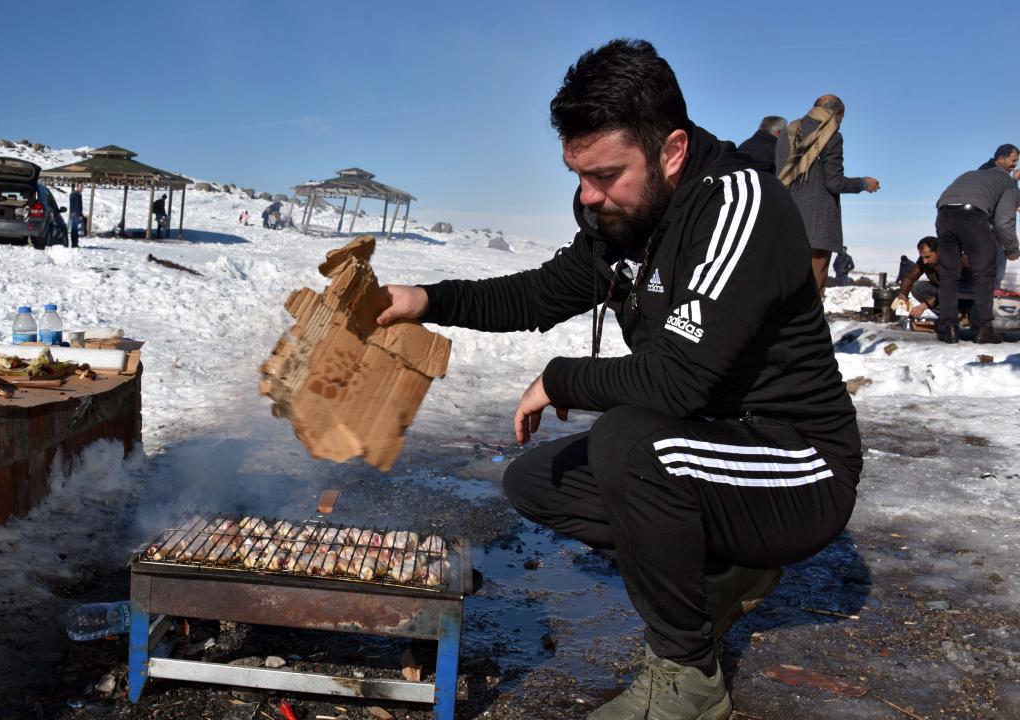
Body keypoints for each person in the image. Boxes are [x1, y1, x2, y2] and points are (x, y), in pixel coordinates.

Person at [379, 39, 859, 720]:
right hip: (709, 448)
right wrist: (425, 301)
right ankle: (728, 571)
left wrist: (562, 378)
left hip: (797, 463)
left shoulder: (735, 205)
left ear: (671, 151)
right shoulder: (626, 219)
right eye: (578, 175)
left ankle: (687, 681)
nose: (588, 195)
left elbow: (677, 380)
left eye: (605, 174)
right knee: (534, 481)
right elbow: (543, 293)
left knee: (629, 446)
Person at [775, 95, 880, 296]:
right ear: (837, 114)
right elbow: (834, 182)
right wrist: (863, 183)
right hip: (818, 223)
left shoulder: (787, 132)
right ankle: (808, 326)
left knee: (786, 282)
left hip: (786, 218)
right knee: (813, 286)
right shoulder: (830, 134)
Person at [933, 156, 1020, 343]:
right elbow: (1004, 223)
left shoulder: (970, 175)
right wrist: (1012, 249)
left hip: (944, 216)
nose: (1016, 164)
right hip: (972, 218)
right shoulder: (1008, 182)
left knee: (948, 274)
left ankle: (949, 328)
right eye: (1015, 160)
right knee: (983, 274)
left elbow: (940, 200)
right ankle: (984, 329)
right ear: (1001, 162)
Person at [895, 236, 975, 323]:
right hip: (944, 293)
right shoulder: (924, 262)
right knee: (917, 287)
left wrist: (925, 305)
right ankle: (952, 316)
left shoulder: (955, 260)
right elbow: (910, 277)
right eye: (922, 257)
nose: (924, 261)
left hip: (965, 296)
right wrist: (903, 293)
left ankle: (963, 315)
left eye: (928, 257)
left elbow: (951, 289)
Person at [977, 144, 1020, 290]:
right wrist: (1013, 182)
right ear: (1001, 159)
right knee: (995, 268)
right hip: (987, 228)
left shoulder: (990, 171)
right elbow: (997, 197)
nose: (1014, 166)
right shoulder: (989, 172)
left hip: (987, 227)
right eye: (1013, 161)